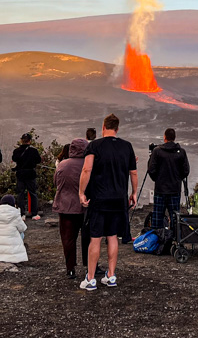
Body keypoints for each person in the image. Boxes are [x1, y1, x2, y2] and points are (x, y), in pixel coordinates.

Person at [78, 114, 137, 291]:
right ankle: (111, 275)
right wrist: (133, 193)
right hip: (118, 199)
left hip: (99, 198)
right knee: (112, 236)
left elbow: (87, 169)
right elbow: (133, 172)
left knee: (95, 238)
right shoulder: (127, 147)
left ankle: (90, 278)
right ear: (117, 128)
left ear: (103, 127)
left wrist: (81, 192)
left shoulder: (94, 146)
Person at [53, 138, 90, 278]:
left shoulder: (62, 164)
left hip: (66, 207)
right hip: (86, 207)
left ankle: (70, 269)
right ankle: (90, 266)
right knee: (89, 239)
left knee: (68, 239)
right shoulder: (89, 164)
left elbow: (56, 182)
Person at [147, 128, 190, 228]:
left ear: (164, 137)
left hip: (160, 190)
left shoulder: (157, 151)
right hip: (174, 190)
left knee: (157, 218)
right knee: (175, 218)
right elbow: (186, 171)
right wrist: (177, 179)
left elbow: (151, 169)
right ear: (174, 138)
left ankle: (157, 239)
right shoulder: (181, 152)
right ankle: (175, 240)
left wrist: (157, 179)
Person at [12, 133, 42, 220]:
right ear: (30, 141)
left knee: (20, 193)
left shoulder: (17, 151)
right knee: (33, 193)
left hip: (20, 173)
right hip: (30, 173)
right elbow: (38, 160)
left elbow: (14, 159)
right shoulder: (34, 151)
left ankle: (22, 214)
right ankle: (34, 214)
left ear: (21, 140)